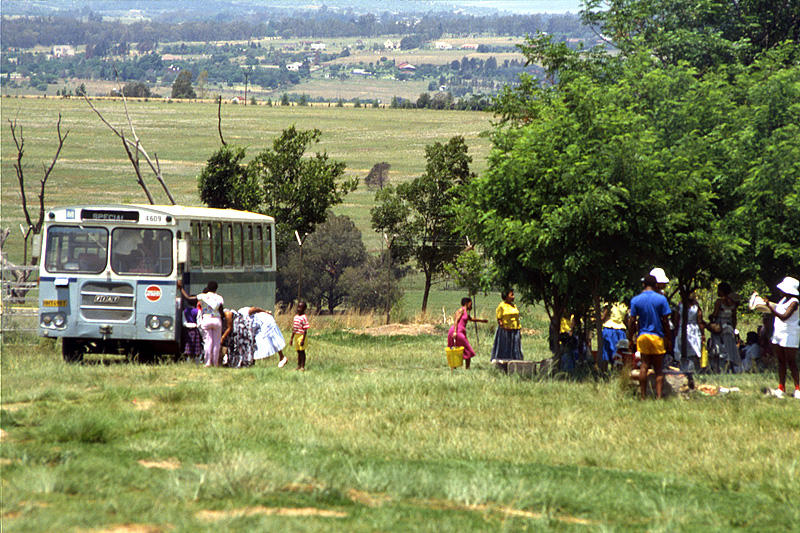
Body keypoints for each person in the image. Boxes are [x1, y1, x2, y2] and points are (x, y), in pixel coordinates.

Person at [629, 275, 672, 399]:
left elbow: (632, 320)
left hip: (643, 336)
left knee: (644, 366)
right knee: (659, 369)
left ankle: (643, 396)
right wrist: (668, 338)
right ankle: (658, 397)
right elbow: (665, 321)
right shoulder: (661, 299)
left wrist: (630, 337)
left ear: (643, 285)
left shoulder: (636, 300)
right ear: (656, 285)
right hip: (657, 336)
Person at [756, 277, 799, 398]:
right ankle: (781, 387)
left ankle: (797, 388)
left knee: (791, 362)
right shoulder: (783, 300)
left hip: (790, 334)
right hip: (779, 333)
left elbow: (785, 316)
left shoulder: (794, 302)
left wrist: (770, 307)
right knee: (781, 361)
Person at [178, 280, 224, 367]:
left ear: (208, 287)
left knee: (208, 342)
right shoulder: (219, 298)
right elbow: (221, 310)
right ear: (216, 289)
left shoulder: (203, 296)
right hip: (217, 320)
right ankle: (215, 363)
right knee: (216, 343)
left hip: (206, 319)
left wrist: (181, 288)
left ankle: (207, 363)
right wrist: (222, 318)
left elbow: (188, 298)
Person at [447, 297, 488, 370]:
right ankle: (467, 368)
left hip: (459, 332)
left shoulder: (465, 312)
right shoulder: (461, 310)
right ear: (466, 303)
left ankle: (455, 368)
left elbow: (471, 319)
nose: (471, 306)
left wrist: (482, 320)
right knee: (467, 350)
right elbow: (456, 321)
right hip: (457, 332)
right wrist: (455, 332)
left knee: (457, 350)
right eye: (470, 304)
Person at [708, 282, 741, 373]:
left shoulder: (719, 301)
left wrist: (710, 318)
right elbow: (734, 317)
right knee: (729, 347)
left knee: (718, 347)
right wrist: (733, 328)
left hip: (719, 326)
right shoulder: (733, 303)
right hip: (729, 326)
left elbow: (715, 314)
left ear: (722, 291)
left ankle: (720, 368)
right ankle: (731, 367)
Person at [673, 292, 704, 374]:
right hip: (693, 329)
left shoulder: (680, 305)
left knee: (683, 350)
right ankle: (693, 369)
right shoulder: (696, 307)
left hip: (683, 328)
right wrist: (702, 333)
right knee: (694, 350)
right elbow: (700, 321)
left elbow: (676, 319)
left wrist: (676, 328)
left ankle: (685, 368)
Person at [491, 289, 523, 361]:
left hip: (515, 330)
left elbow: (517, 317)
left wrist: (519, 328)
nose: (513, 296)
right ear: (506, 296)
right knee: (505, 347)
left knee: (515, 348)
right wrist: (502, 325)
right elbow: (499, 318)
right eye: (511, 295)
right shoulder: (501, 306)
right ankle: (502, 362)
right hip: (505, 330)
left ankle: (515, 362)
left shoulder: (513, 305)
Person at [601, 302, 628, 373]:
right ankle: (617, 373)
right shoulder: (624, 304)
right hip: (621, 330)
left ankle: (604, 373)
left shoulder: (610, 302)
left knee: (606, 353)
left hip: (609, 329)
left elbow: (604, 316)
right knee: (620, 353)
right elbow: (626, 319)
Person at [290, 301, 310, 371]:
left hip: (301, 336)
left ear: (304, 309)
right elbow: (294, 328)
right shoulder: (295, 317)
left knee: (302, 352)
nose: (299, 309)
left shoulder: (304, 317)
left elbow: (305, 330)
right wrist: (291, 338)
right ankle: (298, 365)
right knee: (298, 351)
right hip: (296, 336)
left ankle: (302, 366)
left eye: (301, 308)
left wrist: (303, 340)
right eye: (298, 307)